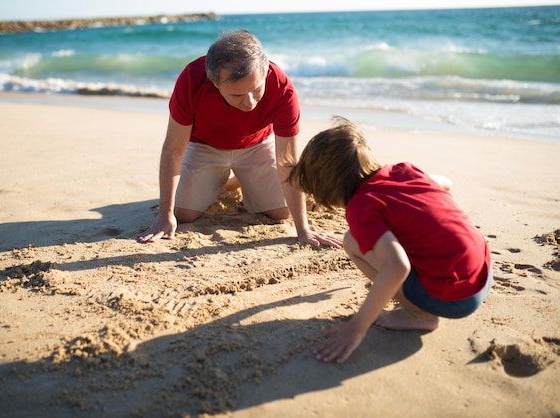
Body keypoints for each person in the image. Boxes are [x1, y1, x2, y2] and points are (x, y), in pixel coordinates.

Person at [287, 117, 493, 364]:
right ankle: (424, 296)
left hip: (456, 298)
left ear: (328, 186)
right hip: (483, 272)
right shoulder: (403, 170)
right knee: (398, 232)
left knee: (352, 241)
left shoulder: (361, 207)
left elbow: (398, 266)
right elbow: (446, 183)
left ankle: (420, 315)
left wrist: (356, 328)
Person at [137, 30, 342, 248]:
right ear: (215, 83)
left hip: (257, 145)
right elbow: (173, 150)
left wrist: (304, 230)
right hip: (205, 146)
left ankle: (238, 180)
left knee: (282, 212)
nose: (250, 102)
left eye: (256, 90)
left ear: (264, 72)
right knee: (184, 214)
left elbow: (288, 161)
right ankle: (222, 181)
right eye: (237, 95)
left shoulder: (282, 88)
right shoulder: (192, 80)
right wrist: (164, 214)